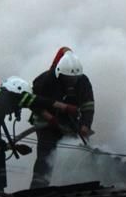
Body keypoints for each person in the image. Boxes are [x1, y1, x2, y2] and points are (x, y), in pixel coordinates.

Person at [0, 76, 75, 191]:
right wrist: (65, 107)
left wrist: (13, 147)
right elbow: (37, 100)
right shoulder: (10, 96)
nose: (17, 109)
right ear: (18, 90)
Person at [29, 47, 95, 188]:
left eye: (74, 79)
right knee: (46, 156)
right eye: (68, 79)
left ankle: (69, 185)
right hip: (46, 123)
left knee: (74, 154)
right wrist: (49, 118)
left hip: (70, 124)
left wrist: (85, 125)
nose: (72, 82)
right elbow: (32, 102)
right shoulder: (45, 80)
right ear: (59, 73)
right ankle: (38, 188)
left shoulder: (83, 81)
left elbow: (88, 106)